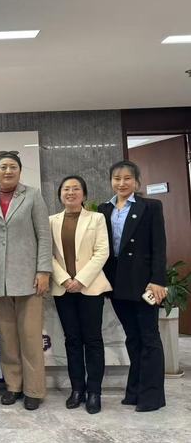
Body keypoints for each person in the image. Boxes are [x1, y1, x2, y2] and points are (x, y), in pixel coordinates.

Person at [0, 151, 52, 410]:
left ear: (20, 171)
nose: (8, 171)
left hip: (29, 279)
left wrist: (44, 271)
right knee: (8, 338)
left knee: (30, 338)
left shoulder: (32, 195)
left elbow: (44, 235)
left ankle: (34, 389)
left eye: (12, 167)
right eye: (3, 167)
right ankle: (13, 386)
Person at [98, 160, 167, 412]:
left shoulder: (150, 207)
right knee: (133, 338)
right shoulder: (104, 209)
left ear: (136, 182)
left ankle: (152, 397)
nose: (122, 183)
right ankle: (135, 391)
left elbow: (159, 246)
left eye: (127, 178)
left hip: (145, 283)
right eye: (117, 178)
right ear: (111, 181)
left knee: (149, 337)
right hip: (117, 284)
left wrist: (158, 280)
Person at [49, 175, 111, 414]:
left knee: (92, 340)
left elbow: (102, 251)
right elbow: (48, 254)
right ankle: (77, 389)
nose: (71, 192)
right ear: (60, 194)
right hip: (63, 289)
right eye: (66, 189)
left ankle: (94, 391)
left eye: (76, 189)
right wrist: (65, 279)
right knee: (72, 340)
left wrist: (81, 280)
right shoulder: (51, 221)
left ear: (84, 194)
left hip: (90, 288)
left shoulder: (96, 218)